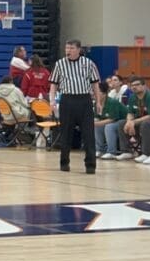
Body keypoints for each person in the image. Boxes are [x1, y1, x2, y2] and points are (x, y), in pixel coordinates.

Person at [49, 39, 101, 174]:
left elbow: (95, 84)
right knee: (65, 133)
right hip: (67, 100)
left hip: (84, 100)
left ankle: (90, 165)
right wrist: (52, 100)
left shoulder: (88, 63)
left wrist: (99, 102)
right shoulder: (60, 64)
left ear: (79, 50)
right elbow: (53, 84)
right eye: (67, 48)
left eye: (71, 48)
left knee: (88, 134)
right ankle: (64, 163)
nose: (68, 50)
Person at [120, 77, 150, 164]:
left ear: (144, 86)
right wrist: (129, 122)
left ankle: (146, 153)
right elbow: (130, 113)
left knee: (146, 124)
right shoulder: (132, 97)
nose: (134, 87)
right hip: (143, 120)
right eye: (132, 85)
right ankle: (126, 151)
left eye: (137, 85)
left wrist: (133, 122)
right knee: (122, 123)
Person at [93, 82, 128, 160]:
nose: (94, 94)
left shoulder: (112, 102)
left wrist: (95, 123)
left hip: (123, 121)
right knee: (97, 127)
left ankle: (111, 152)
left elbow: (112, 119)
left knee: (109, 127)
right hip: (111, 122)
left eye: (97, 92)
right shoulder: (96, 103)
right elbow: (97, 118)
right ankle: (99, 150)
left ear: (104, 94)